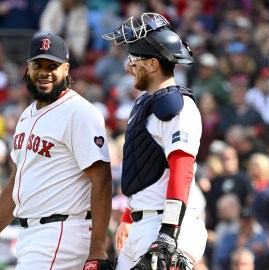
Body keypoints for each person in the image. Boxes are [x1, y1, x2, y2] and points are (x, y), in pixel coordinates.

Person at [0, 33, 113, 270]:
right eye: (38, 65)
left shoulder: (79, 113)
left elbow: (102, 179)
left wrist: (98, 249)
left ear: (66, 69)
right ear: (27, 68)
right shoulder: (27, 115)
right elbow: (16, 184)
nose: (45, 72)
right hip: (32, 236)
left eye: (53, 66)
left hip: (62, 231)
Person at [102, 13, 207, 269]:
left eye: (133, 60)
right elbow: (145, 170)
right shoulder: (145, 104)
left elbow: (182, 168)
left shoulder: (176, 106)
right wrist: (129, 216)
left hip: (167, 225)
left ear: (151, 64)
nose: (128, 67)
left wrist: (169, 233)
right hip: (144, 224)